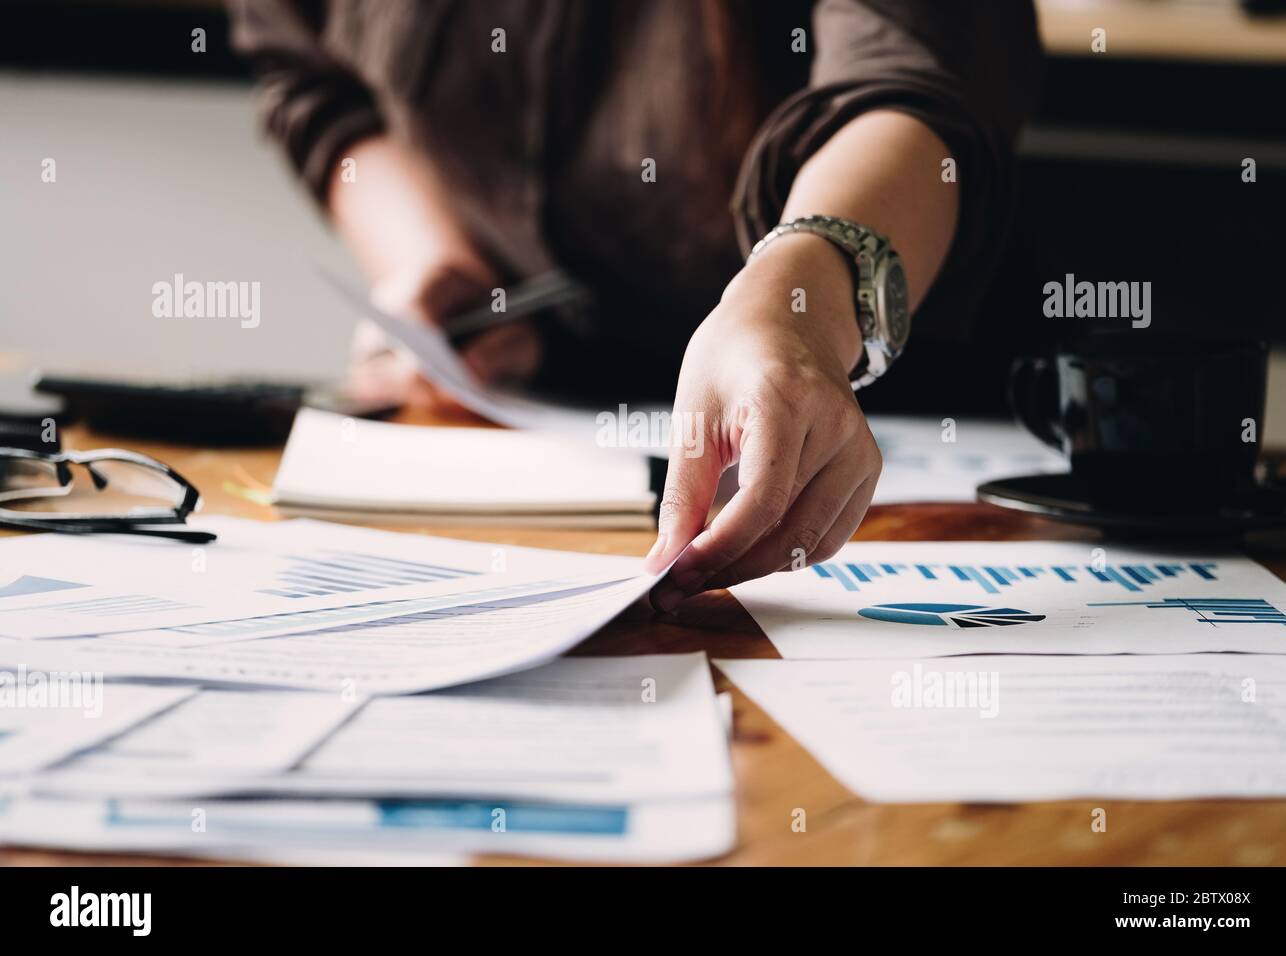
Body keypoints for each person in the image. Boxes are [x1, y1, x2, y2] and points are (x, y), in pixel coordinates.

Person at [228, 0, 1042, 610]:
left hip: (875, 436)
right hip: (530, 424)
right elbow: (312, 76)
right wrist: (434, 263)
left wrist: (794, 308)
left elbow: (912, 72)